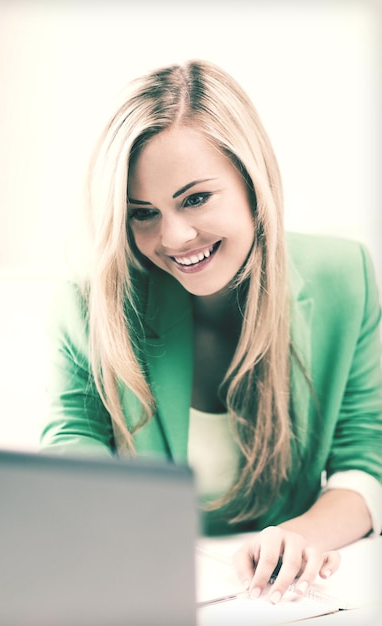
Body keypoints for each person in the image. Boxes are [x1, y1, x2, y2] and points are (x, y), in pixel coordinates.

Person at [41, 59, 382, 604]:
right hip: (145, 586)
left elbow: (366, 461)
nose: (174, 236)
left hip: (277, 597)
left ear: (253, 182)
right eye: (142, 213)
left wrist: (300, 538)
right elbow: (72, 440)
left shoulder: (347, 278)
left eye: (195, 198)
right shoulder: (91, 302)